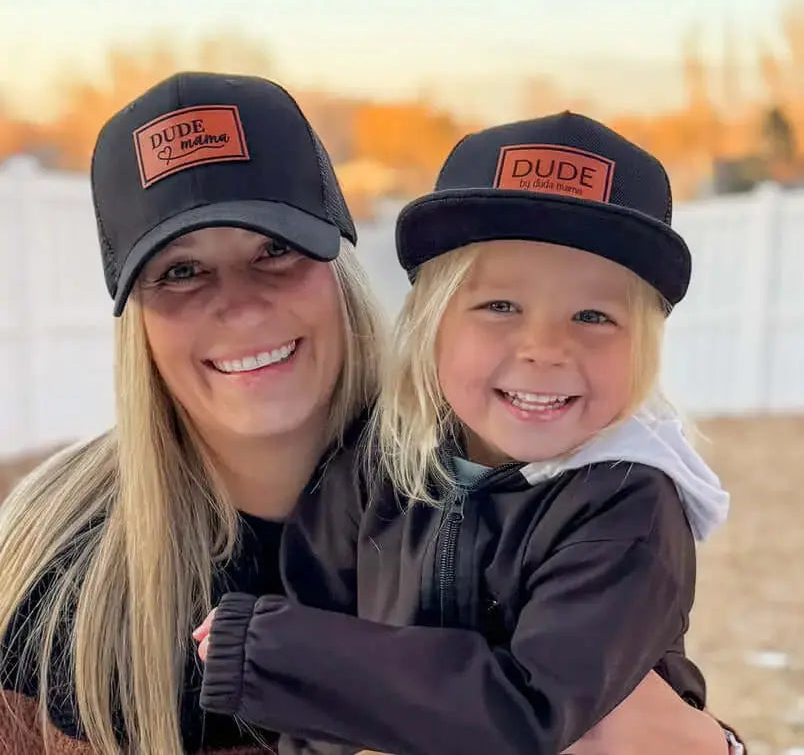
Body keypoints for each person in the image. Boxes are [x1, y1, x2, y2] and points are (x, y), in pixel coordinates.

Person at [0, 74, 739, 755]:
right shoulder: (61, 570)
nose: (241, 302)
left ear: (341, 263)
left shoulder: (549, 478)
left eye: (276, 250)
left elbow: (590, 705)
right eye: (180, 270)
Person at [195, 113, 745, 755]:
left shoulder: (627, 506)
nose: (545, 349)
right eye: (501, 306)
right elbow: (312, 716)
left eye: (593, 315)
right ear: (435, 323)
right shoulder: (373, 467)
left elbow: (529, 711)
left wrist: (276, 653)